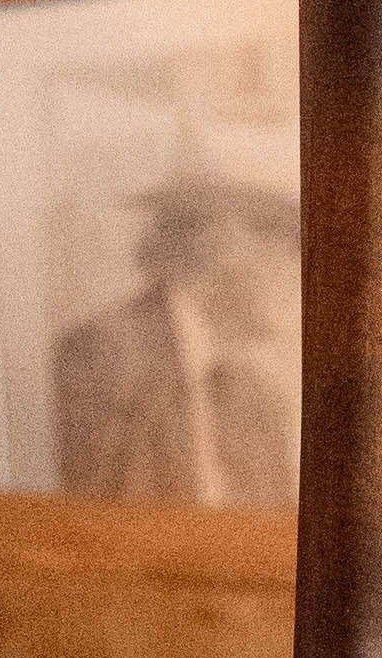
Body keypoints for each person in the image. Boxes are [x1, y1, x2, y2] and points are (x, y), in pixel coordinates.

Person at [53, 174, 301, 506]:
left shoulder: (258, 401)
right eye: (286, 250)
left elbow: (276, 541)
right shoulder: (101, 357)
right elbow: (85, 529)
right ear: (221, 246)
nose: (298, 278)